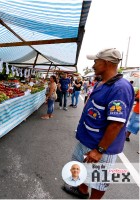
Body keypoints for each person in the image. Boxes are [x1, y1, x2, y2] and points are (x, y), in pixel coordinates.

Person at [63, 48, 134, 199]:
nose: (93, 65)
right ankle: (82, 191)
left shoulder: (120, 88)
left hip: (100, 146)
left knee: (98, 180)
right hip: (87, 139)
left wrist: (99, 150)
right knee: (81, 168)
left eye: (96, 61)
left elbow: (116, 124)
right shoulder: (101, 82)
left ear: (107, 63)